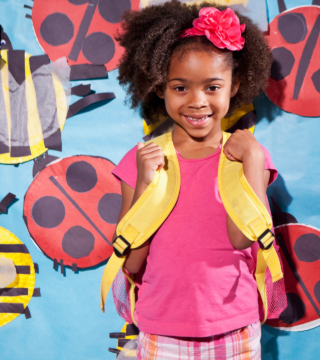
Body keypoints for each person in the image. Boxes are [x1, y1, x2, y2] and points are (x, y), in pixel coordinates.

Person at [112, 2, 275, 358]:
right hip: (161, 329)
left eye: (212, 87)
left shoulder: (247, 155)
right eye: (180, 87)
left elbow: (242, 236)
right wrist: (144, 184)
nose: (197, 101)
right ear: (159, 87)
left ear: (235, 86)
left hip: (234, 326)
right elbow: (130, 263)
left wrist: (254, 159)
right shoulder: (139, 161)